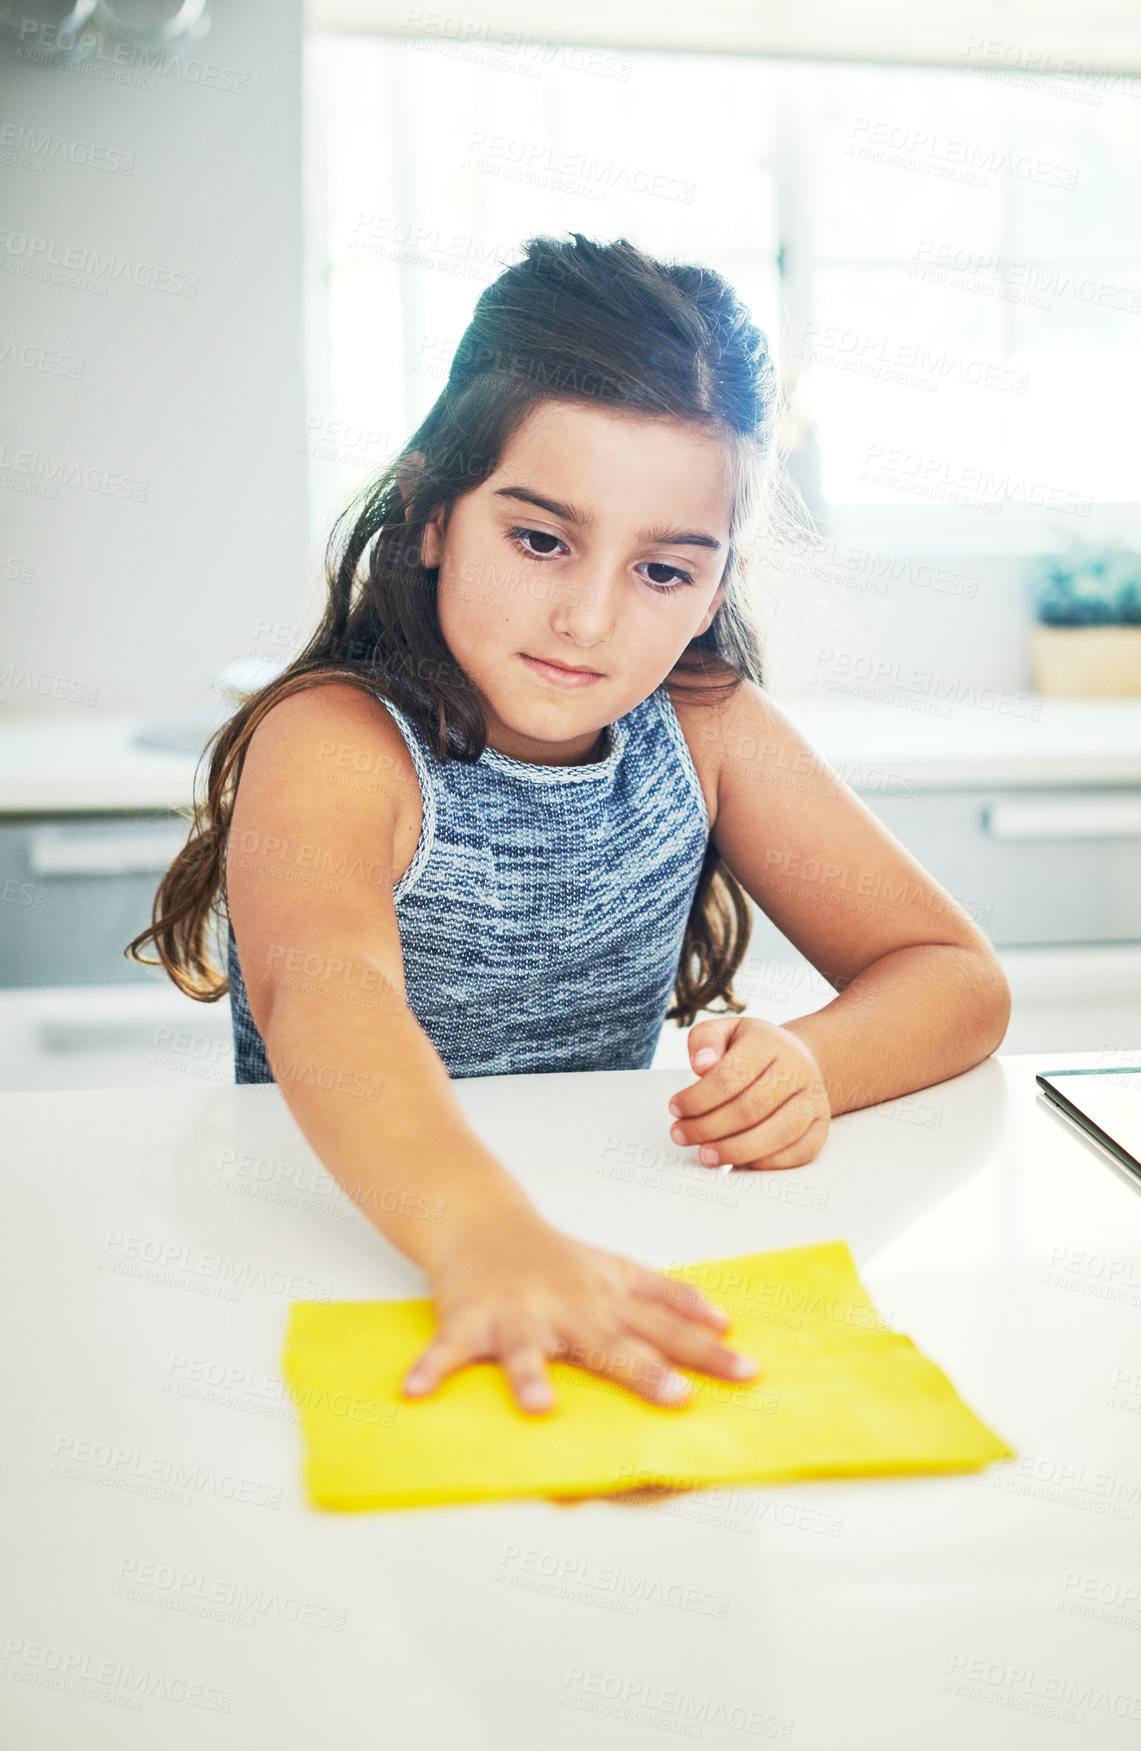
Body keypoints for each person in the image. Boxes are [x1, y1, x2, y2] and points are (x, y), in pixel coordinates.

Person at [129, 232, 1010, 1418]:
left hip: (603, 1232)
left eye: (663, 572)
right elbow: (326, 1001)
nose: (589, 618)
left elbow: (953, 975)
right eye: (539, 538)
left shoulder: (705, 726)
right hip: (351, 1249)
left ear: (716, 583)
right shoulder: (338, 741)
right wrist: (482, 1233)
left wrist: (811, 1062)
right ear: (431, 509)